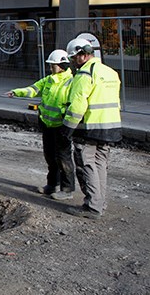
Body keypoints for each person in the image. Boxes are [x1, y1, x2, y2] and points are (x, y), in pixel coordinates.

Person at [62, 37, 122, 220]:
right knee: (100, 164)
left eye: (73, 58)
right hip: (111, 126)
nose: (73, 62)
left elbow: (78, 105)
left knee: (87, 164)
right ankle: (99, 202)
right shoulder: (110, 72)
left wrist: (67, 128)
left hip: (90, 126)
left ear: (81, 56)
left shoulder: (84, 74)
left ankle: (93, 207)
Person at [7, 49, 75, 199]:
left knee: (63, 157)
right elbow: (33, 89)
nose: (51, 68)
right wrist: (17, 92)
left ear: (62, 64)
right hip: (47, 124)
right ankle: (52, 185)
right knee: (50, 156)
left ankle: (67, 189)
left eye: (53, 65)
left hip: (62, 126)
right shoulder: (48, 80)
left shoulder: (71, 82)